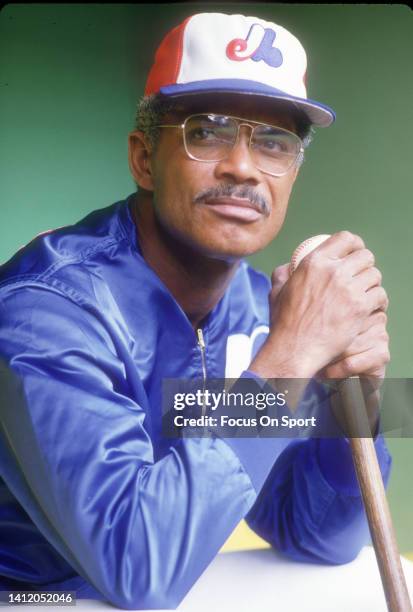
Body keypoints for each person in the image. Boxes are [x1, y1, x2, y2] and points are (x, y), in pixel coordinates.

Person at [0, 12, 391, 610]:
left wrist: (351, 401)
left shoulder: (260, 305)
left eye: (274, 142)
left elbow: (316, 536)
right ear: (143, 159)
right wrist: (287, 359)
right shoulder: (45, 310)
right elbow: (137, 567)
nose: (243, 166)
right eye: (207, 131)